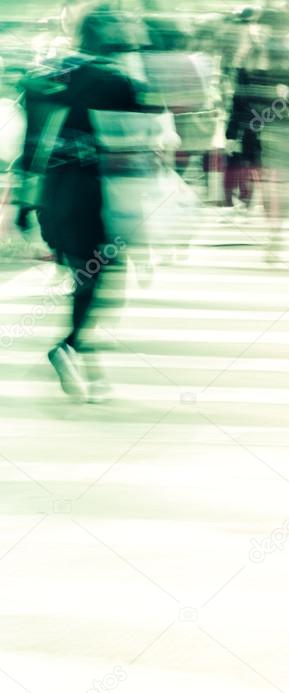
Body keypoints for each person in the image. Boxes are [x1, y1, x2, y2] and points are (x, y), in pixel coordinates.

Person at [37, 5, 142, 403]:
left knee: (85, 274)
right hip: (94, 191)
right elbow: (141, 137)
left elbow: (35, 141)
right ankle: (70, 347)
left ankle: (86, 363)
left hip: (54, 190)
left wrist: (24, 207)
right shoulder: (116, 80)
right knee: (99, 276)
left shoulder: (51, 74)